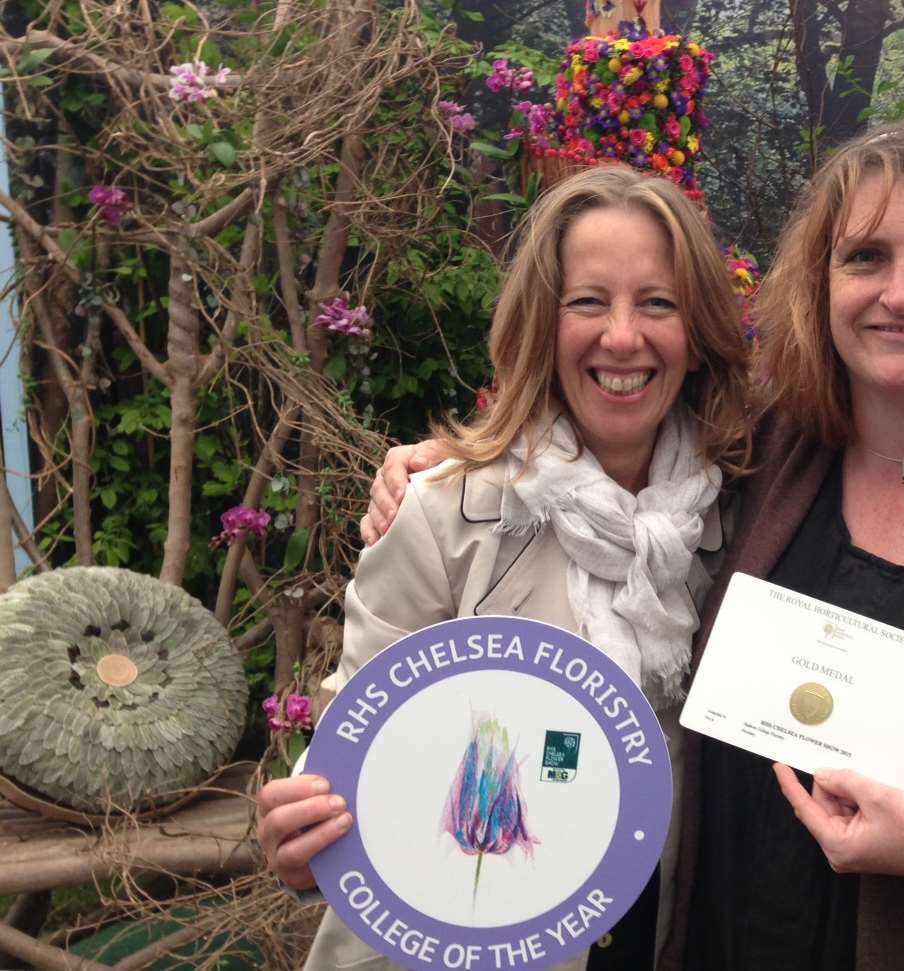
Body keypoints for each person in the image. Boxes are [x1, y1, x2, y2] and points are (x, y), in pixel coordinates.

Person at [369, 116, 904, 970]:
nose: (901, 293)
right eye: (865, 257)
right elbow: (613, 448)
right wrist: (461, 465)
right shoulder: (762, 454)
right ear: (819, 283)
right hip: (732, 931)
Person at [256, 164, 754, 971]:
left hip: (661, 931)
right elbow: (364, 732)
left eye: (656, 302)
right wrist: (304, 832)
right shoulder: (445, 512)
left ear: (696, 333)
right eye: (588, 301)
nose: (621, 337)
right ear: (541, 323)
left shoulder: (742, 515)